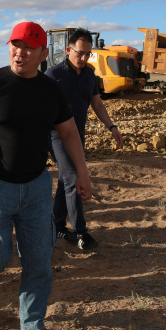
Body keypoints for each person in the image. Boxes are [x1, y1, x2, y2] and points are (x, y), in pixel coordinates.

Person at [0, 21, 93, 330]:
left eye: (29, 47)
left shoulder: (50, 90)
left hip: (36, 188)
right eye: (16, 44)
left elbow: (69, 133)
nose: (21, 52)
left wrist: (83, 172)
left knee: (38, 259)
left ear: (43, 53)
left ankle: (32, 324)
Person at [45, 28, 123, 250]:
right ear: (68, 50)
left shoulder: (90, 74)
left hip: (78, 136)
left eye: (88, 54)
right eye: (80, 53)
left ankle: (56, 225)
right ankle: (80, 232)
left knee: (65, 180)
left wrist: (112, 127)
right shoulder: (53, 75)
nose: (84, 58)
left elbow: (97, 104)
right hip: (56, 135)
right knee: (73, 177)